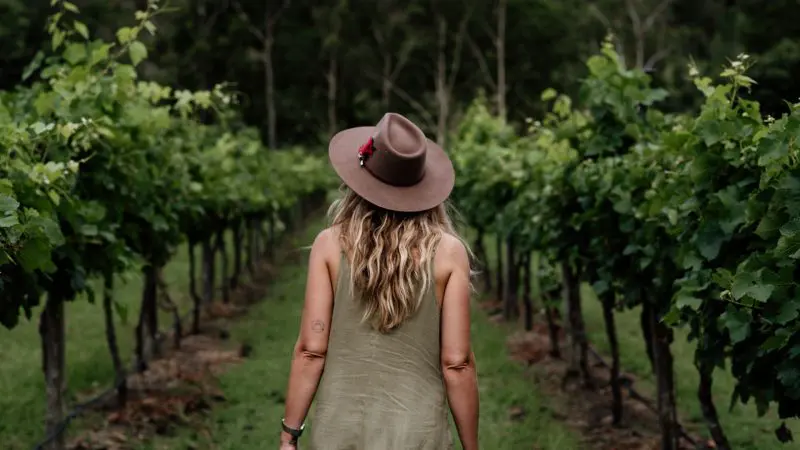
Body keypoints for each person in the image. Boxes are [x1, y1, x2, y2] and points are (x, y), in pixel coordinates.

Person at [278, 112, 479, 450]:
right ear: (423, 186)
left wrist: (289, 437)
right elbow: (457, 363)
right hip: (417, 436)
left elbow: (311, 351)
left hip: (339, 433)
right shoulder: (448, 253)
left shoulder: (330, 244)